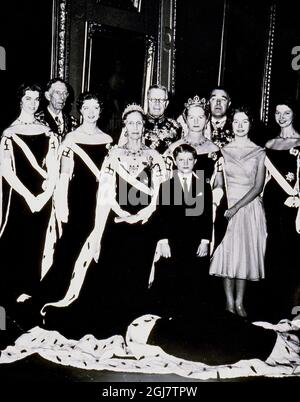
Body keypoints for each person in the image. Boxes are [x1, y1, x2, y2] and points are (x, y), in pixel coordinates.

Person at [40, 103, 167, 339]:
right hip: (117, 221)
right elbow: (105, 196)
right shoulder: (113, 155)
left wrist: (141, 215)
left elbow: (162, 195)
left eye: (139, 122)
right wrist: (101, 231)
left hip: (145, 224)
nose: (135, 127)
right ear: (125, 127)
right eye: (131, 123)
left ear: (144, 126)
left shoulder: (155, 157)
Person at [33, 92, 112, 307]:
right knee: (70, 246)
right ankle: (55, 292)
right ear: (81, 110)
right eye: (87, 108)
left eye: (95, 107)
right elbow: (65, 176)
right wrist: (63, 206)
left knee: (98, 243)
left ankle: (87, 296)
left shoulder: (108, 140)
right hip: (78, 199)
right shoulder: (72, 139)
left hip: (101, 199)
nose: (91, 112)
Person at [0, 83, 59, 327]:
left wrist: (44, 196)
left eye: (36, 99)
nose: (33, 103)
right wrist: (29, 197)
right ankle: (12, 302)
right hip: (19, 198)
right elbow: (6, 171)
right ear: (20, 100)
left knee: (38, 243)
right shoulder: (8, 133)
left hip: (43, 197)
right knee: (16, 243)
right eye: (28, 98)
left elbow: (54, 168)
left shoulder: (47, 132)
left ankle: (33, 299)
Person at [209, 107, 267, 318]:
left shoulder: (260, 152)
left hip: (248, 207)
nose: (240, 126)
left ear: (250, 124)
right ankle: (229, 302)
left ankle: (240, 302)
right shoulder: (222, 151)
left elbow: (258, 186)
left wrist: (236, 207)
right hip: (227, 207)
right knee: (227, 254)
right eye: (236, 122)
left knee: (243, 256)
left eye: (244, 122)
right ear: (230, 124)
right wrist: (220, 202)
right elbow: (219, 183)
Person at [150, 144, 213, 317]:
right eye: (181, 160)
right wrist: (162, 240)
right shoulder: (166, 186)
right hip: (172, 241)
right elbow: (161, 215)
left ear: (195, 161)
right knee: (171, 278)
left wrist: (205, 241)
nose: (185, 163)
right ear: (175, 161)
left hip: (194, 242)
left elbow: (207, 215)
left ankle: (191, 316)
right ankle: (170, 316)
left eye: (189, 160)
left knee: (193, 279)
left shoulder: (203, 186)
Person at [263, 100, 300, 322]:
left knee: (292, 254)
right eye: (278, 112)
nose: (282, 116)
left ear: (294, 114)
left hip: (292, 205)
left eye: (286, 112)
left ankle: (290, 309)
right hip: (272, 203)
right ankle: (272, 309)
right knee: (273, 253)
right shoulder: (270, 142)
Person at [144, 84, 182, 154]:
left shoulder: (176, 127)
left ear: (166, 103)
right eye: (153, 99)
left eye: (161, 100)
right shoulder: (137, 124)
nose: (157, 103)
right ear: (147, 101)